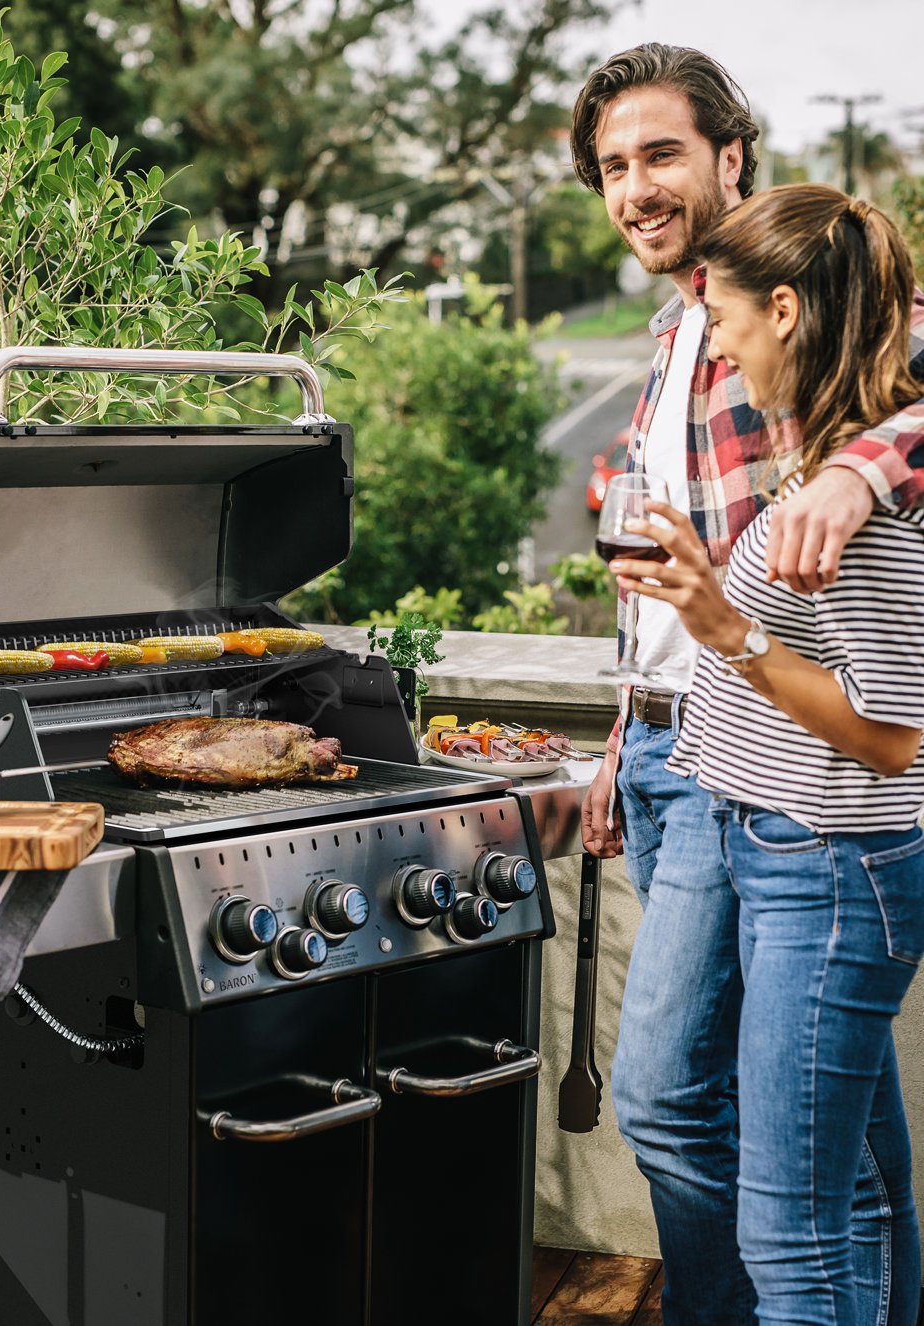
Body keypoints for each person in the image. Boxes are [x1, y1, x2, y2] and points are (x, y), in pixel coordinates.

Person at [568, 44, 924, 1326]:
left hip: (775, 771)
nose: (636, 188)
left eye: (662, 154)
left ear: (732, 152)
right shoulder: (677, 334)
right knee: (845, 1145)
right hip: (678, 747)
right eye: (614, 166)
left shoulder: (800, 287)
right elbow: (664, 584)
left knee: (677, 1107)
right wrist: (619, 736)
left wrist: (862, 472)